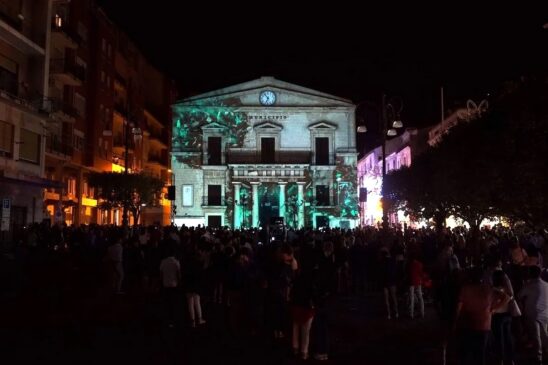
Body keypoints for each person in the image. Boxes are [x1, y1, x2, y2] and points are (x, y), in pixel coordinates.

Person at [454, 267, 510, 365]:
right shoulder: (488, 289)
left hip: (468, 324)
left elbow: (458, 309)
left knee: (466, 353)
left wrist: (455, 323)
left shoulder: (465, 288)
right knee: (481, 354)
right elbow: (507, 297)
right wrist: (494, 308)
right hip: (484, 325)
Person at [518, 265, 548, 365]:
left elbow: (520, 295)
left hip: (533, 313)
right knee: (544, 334)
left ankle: (538, 358)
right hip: (545, 313)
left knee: (536, 336)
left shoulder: (529, 285)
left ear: (530, 274)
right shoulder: (546, 284)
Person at [491, 270, 516, 365]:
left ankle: (500, 359)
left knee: (499, 339)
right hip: (507, 315)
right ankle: (510, 359)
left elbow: (506, 299)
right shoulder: (507, 289)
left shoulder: (494, 290)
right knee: (508, 338)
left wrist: (494, 308)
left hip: (498, 316)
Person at [159, 246, 180, 327]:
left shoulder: (163, 261)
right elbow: (179, 274)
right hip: (174, 284)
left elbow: (161, 275)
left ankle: (166, 319)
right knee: (173, 303)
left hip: (165, 284)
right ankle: (172, 320)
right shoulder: (176, 262)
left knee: (166, 303)